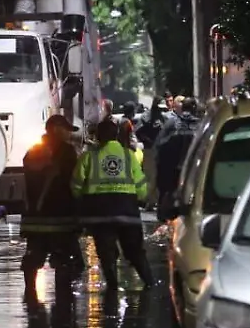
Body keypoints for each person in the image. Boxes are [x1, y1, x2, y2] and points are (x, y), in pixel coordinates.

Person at [72, 118, 155, 291]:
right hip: (127, 212)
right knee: (135, 252)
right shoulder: (128, 155)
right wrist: (140, 198)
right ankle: (150, 283)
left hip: (100, 215)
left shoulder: (89, 157)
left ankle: (112, 287)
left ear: (97, 136)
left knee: (106, 254)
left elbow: (76, 186)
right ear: (116, 135)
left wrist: (82, 202)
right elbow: (141, 187)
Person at [21, 114, 84, 301]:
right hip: (60, 218)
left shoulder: (34, 151)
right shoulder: (66, 151)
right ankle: (62, 301)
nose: (69, 134)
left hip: (34, 219)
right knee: (63, 260)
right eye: (66, 130)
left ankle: (30, 294)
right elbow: (74, 181)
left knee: (33, 258)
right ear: (56, 129)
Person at [154, 97, 201, 219]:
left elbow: (158, 144)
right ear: (194, 108)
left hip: (170, 169)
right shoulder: (200, 125)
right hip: (192, 169)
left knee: (166, 197)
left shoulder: (171, 123)